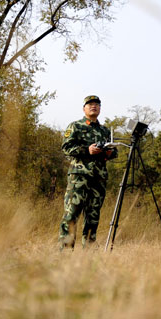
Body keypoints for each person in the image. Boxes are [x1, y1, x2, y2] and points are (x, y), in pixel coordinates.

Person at [59, 94, 116, 249]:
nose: (94, 106)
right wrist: (87, 150)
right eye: (90, 104)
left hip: (98, 178)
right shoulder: (75, 126)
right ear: (84, 108)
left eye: (97, 104)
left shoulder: (105, 131)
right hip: (79, 177)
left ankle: (89, 253)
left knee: (93, 217)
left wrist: (110, 152)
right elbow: (66, 148)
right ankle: (65, 252)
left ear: (100, 108)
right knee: (71, 214)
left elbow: (113, 152)